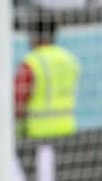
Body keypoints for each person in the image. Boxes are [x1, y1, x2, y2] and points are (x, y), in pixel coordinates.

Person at [14, 12, 80, 140]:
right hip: (68, 130)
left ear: (33, 35)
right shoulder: (69, 59)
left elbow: (18, 102)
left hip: (38, 135)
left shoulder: (31, 62)